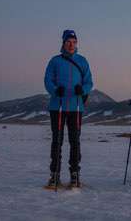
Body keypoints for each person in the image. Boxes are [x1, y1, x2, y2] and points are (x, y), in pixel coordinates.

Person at [44, 29, 93, 187]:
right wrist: (55, 90)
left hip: (76, 107)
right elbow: (48, 80)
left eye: (74, 42)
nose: (71, 45)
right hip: (57, 106)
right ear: (63, 43)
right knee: (57, 141)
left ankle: (74, 173)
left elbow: (89, 82)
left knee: (75, 141)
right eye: (68, 42)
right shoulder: (55, 61)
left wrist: (83, 90)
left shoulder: (83, 61)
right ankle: (55, 174)